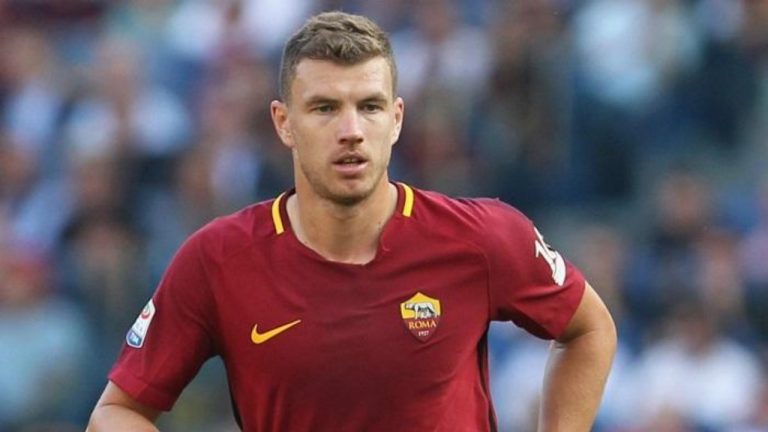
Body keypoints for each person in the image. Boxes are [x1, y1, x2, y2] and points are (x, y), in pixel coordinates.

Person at [87, 11, 616, 432]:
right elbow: (117, 412)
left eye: (370, 106)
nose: (351, 130)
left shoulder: (481, 237)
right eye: (324, 108)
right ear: (283, 123)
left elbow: (589, 329)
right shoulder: (219, 260)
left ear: (397, 119)